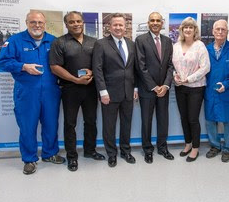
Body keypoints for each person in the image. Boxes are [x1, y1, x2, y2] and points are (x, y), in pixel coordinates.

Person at [0, 11, 65, 175]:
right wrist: (23, 66)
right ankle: (29, 159)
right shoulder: (15, 40)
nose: (37, 25)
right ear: (27, 22)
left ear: (45, 24)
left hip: (50, 91)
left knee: (51, 124)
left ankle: (50, 153)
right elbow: (3, 62)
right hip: (26, 92)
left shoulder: (53, 41)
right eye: (33, 22)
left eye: (40, 22)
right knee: (27, 126)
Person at [49, 11, 105, 172]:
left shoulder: (94, 42)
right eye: (72, 22)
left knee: (91, 121)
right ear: (66, 25)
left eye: (78, 21)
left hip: (90, 88)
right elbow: (55, 67)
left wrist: (92, 73)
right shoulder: (59, 42)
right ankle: (72, 157)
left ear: (83, 22)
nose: (76, 24)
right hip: (70, 89)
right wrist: (75, 79)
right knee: (70, 123)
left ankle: (90, 150)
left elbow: (100, 64)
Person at [92, 13, 138, 168]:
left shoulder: (131, 44)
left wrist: (135, 87)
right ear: (109, 27)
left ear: (125, 27)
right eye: (115, 25)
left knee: (127, 124)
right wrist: (102, 91)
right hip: (109, 93)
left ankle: (126, 151)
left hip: (128, 92)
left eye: (121, 25)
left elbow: (134, 69)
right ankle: (111, 154)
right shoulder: (101, 44)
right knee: (109, 125)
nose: (118, 27)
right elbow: (97, 69)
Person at [135, 12, 174, 164]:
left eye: (158, 20)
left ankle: (163, 148)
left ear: (162, 23)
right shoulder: (140, 40)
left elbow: (170, 65)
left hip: (164, 89)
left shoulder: (167, 41)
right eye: (152, 20)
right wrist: (153, 86)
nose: (155, 23)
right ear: (148, 22)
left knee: (163, 120)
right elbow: (140, 66)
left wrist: (165, 85)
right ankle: (147, 149)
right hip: (147, 89)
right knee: (146, 121)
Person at [204, 19, 229, 163]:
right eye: (217, 29)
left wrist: (227, 84)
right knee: (210, 120)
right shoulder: (206, 49)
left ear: (227, 32)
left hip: (228, 91)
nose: (220, 32)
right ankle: (215, 146)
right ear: (213, 31)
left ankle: (227, 148)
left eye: (223, 29)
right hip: (210, 91)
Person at [172, 17, 210, 162]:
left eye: (191, 27)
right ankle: (187, 144)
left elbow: (206, 67)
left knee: (193, 119)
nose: (188, 29)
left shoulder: (200, 46)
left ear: (195, 30)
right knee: (184, 117)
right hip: (180, 87)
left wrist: (188, 79)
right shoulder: (176, 46)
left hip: (195, 87)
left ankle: (195, 148)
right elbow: (172, 66)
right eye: (185, 27)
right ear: (181, 30)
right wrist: (175, 76)